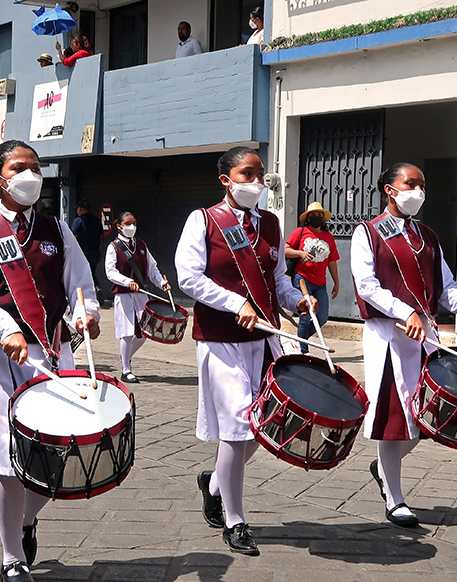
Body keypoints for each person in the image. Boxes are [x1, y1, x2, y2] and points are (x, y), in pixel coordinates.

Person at [0, 139, 99, 582]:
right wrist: (3, 325)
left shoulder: (57, 228)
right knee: (7, 459)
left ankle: (26, 520)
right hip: (0, 357)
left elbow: (80, 281)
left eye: (36, 167)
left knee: (55, 454)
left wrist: (86, 313)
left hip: (52, 353)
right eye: (20, 167)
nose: (30, 175)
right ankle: (11, 558)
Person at [176, 146, 313, 556]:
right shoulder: (203, 220)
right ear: (226, 180)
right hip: (221, 340)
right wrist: (236, 303)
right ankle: (234, 519)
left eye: (259, 174)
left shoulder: (270, 223)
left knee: (265, 423)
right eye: (246, 174)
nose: (256, 181)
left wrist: (295, 301)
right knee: (237, 428)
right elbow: (188, 277)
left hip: (264, 338)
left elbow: (278, 279)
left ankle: (214, 484)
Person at [352, 162, 457, 527]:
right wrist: (406, 312)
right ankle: (395, 497)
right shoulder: (367, 232)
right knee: (395, 415)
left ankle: (384, 468)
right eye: (410, 183)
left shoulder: (427, 236)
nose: (418, 191)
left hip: (425, 336)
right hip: (390, 335)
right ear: (390, 189)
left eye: (422, 184)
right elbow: (367, 286)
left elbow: (446, 287)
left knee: (429, 415)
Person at [104, 211, 171, 382]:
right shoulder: (114, 247)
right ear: (119, 226)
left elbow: (152, 269)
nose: (132, 227)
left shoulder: (141, 245)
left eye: (134, 223)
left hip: (141, 294)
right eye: (127, 223)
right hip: (123, 294)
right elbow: (110, 272)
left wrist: (162, 283)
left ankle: (125, 357)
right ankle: (126, 370)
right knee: (127, 332)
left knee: (145, 332)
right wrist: (127, 281)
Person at [284, 201, 339, 353]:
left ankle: (299, 340)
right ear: (307, 218)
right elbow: (285, 249)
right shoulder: (300, 232)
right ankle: (303, 351)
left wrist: (336, 282)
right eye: (313, 215)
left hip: (320, 283)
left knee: (322, 317)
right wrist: (300, 253)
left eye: (319, 215)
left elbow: (332, 261)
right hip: (302, 279)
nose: (316, 217)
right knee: (305, 315)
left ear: (323, 218)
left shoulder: (328, 237)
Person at [71, 199, 102, 292]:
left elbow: (74, 237)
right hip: (95, 251)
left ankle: (88, 291)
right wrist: (99, 252)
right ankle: (96, 287)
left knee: (80, 273)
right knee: (91, 272)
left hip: (82, 252)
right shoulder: (96, 220)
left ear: (80, 209)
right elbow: (101, 237)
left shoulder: (78, 221)